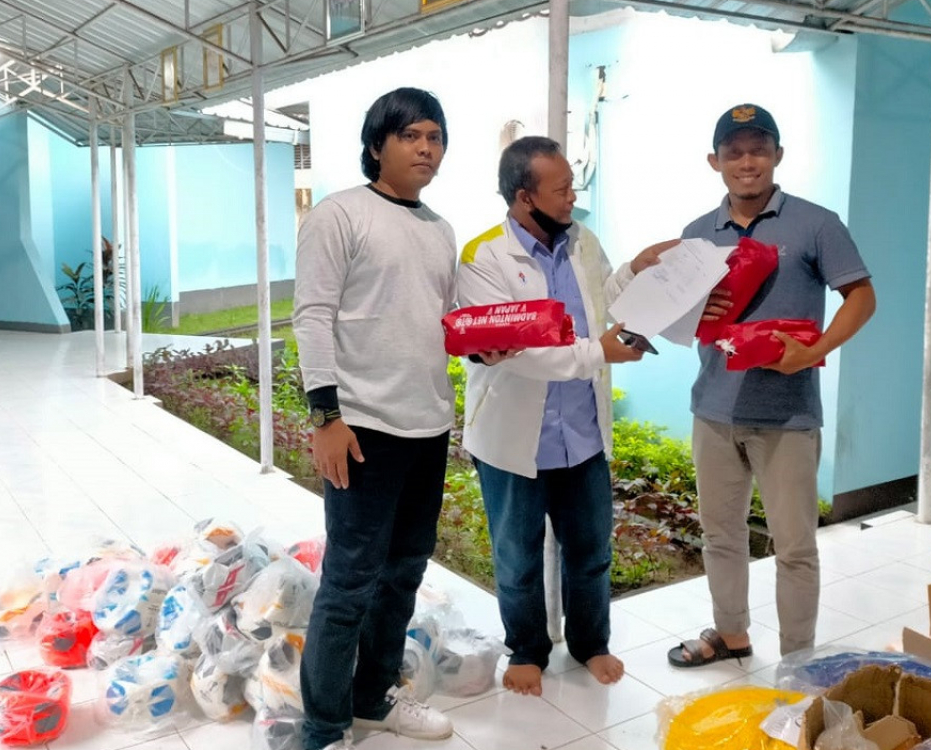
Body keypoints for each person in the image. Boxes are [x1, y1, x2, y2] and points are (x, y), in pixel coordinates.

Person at [640, 103, 875, 666]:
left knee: (795, 548)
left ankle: (799, 662)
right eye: (735, 152)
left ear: (777, 156)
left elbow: (862, 297)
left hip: (788, 415)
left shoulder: (816, 223)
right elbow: (677, 313)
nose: (747, 162)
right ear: (715, 161)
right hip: (713, 409)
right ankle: (732, 634)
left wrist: (815, 351)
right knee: (721, 536)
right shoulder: (697, 235)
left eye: (758, 149)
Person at [294, 87, 479, 750]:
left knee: (404, 570)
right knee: (348, 582)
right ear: (378, 145)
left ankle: (372, 696)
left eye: (435, 136)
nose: (426, 148)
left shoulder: (439, 228)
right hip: (362, 427)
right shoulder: (339, 216)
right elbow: (312, 315)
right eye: (411, 136)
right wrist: (325, 416)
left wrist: (487, 337)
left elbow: (445, 322)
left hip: (426, 426)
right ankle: (321, 726)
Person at [456, 135, 672, 696]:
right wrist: (599, 351)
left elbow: (604, 298)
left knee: (591, 551)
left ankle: (590, 644)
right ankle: (527, 649)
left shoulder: (581, 241)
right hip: (512, 440)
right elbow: (519, 352)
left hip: (582, 433)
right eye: (562, 190)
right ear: (525, 197)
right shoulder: (483, 257)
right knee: (518, 554)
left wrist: (636, 271)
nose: (573, 197)